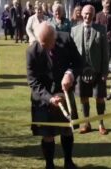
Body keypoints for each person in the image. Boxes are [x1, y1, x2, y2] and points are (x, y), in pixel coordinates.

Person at [26, 21, 82, 169]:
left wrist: (69, 74)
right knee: (48, 134)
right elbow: (33, 81)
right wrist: (49, 98)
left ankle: (68, 162)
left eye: (49, 43)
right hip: (44, 96)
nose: (46, 47)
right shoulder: (32, 51)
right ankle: (49, 164)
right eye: (43, 44)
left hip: (64, 92)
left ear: (55, 36)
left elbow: (78, 63)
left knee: (67, 130)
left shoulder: (66, 39)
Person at [71, 5, 109, 135]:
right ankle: (86, 123)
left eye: (90, 14)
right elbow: (71, 53)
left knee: (99, 97)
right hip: (81, 72)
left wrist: (105, 72)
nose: (87, 16)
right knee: (83, 98)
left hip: (97, 71)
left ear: (94, 15)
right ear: (81, 14)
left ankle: (101, 124)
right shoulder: (74, 30)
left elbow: (105, 53)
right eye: (85, 13)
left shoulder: (101, 29)